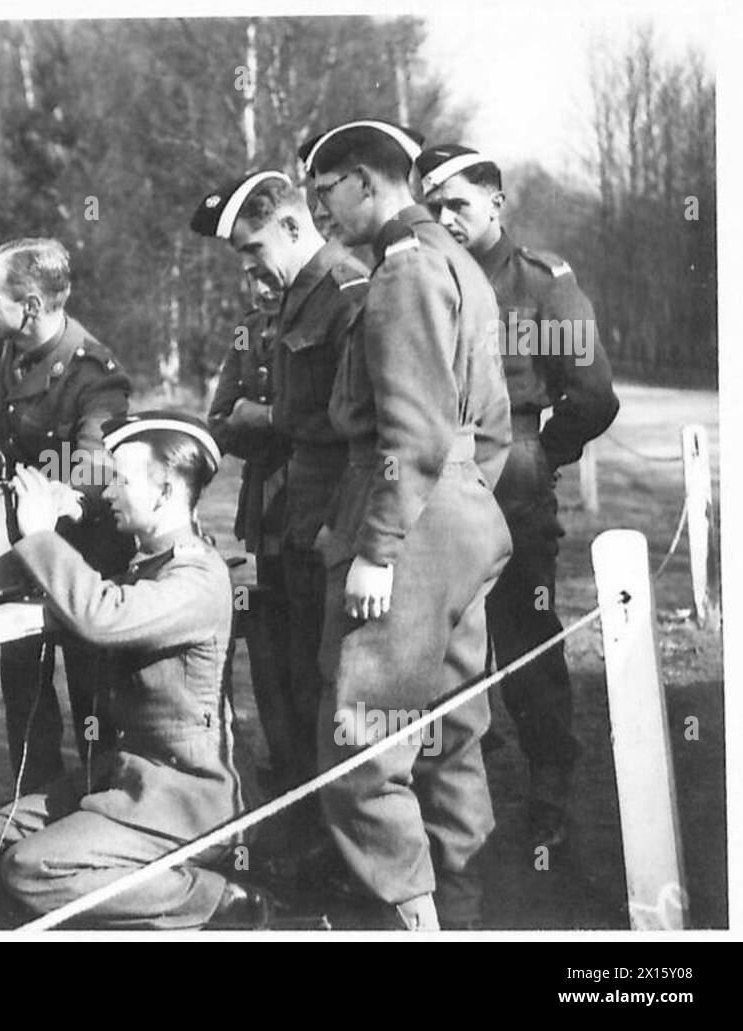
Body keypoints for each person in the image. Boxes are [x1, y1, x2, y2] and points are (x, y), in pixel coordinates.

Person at [304, 120, 513, 930]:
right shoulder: (461, 262)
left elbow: (413, 434)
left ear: (363, 180)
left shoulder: (400, 271)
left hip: (405, 522)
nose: (324, 215)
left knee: (362, 741)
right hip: (459, 517)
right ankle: (460, 911)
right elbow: (486, 428)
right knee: (453, 732)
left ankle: (411, 921)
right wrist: (463, 506)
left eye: (326, 194)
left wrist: (383, 546)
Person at [416, 144, 621, 850]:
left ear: (496, 203)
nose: (445, 219)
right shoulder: (424, 276)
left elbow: (593, 395)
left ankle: (550, 782)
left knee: (524, 636)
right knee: (437, 639)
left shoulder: (540, 282)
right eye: (433, 208)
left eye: (458, 206)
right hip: (433, 483)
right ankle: (453, 784)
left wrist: (538, 457)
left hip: (512, 486)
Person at [0, 412, 266, 929]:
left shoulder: (197, 576)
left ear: (163, 491)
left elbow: (103, 615)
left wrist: (41, 536)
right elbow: (100, 597)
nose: (109, 491)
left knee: (30, 870)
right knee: (5, 831)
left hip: (189, 795)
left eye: (121, 480)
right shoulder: (152, 564)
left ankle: (213, 898)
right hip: (135, 774)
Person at [193, 170, 369, 795]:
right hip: (278, 516)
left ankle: (338, 818)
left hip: (330, 518)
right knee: (285, 666)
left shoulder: (349, 293)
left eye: (253, 251)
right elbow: (222, 418)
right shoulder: (289, 303)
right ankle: (302, 800)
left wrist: (263, 418)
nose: (251, 272)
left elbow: (358, 426)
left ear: (293, 226)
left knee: (332, 678)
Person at [0, 238, 134, 794]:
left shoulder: (96, 373)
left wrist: (58, 499)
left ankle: (103, 813)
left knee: (95, 702)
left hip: (86, 565)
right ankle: (34, 805)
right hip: (23, 559)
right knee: (25, 692)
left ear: (33, 307)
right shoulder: (0, 347)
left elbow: (95, 463)